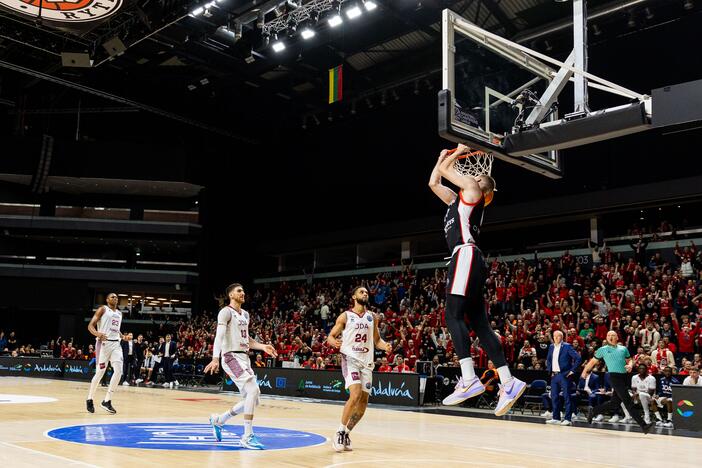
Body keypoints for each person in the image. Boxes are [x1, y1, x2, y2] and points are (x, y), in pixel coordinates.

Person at [429, 144, 526, 415]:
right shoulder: (454, 202)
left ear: (484, 187)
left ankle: (469, 378)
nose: (473, 174)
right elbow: (434, 180)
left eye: (478, 176)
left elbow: (448, 170)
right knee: (480, 325)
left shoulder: (473, 189)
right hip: (471, 260)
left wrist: (457, 151)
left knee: (452, 315)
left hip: (465, 255)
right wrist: (441, 157)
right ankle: (509, 382)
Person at [206, 283, 278, 450]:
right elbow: (219, 336)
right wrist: (215, 358)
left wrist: (262, 346)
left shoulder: (245, 314)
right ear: (231, 295)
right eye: (239, 291)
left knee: (254, 399)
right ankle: (247, 436)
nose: (243, 293)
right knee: (253, 391)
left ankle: (219, 420)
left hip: (244, 357)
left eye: (244, 290)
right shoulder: (225, 312)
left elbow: (247, 340)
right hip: (231, 356)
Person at [326, 286, 391, 452]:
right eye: (361, 292)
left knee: (362, 405)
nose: (365, 294)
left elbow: (377, 341)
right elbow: (331, 336)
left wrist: (386, 346)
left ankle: (347, 433)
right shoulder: (346, 316)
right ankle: (339, 432)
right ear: (354, 296)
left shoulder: (372, 317)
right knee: (354, 395)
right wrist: (332, 341)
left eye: (366, 292)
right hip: (350, 359)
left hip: (367, 364)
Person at [583, 331, 654, 434]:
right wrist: (585, 371)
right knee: (628, 402)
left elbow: (629, 360)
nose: (611, 337)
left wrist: (630, 365)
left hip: (624, 377)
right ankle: (644, 425)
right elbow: (592, 362)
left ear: (617, 337)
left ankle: (593, 411)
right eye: (608, 335)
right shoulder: (602, 350)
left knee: (614, 403)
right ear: (606, 338)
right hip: (614, 377)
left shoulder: (623, 349)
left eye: (613, 335)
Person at [85, 293, 124, 414]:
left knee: (119, 371)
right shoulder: (103, 309)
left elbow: (116, 329)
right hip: (103, 344)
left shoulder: (119, 313)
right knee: (100, 372)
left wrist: (123, 336)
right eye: (112, 297)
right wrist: (98, 334)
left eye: (116, 297)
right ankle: (89, 398)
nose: (115, 298)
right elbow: (90, 326)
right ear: (107, 300)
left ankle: (107, 401)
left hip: (116, 345)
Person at [545, 330, 581, 426]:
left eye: (558, 336)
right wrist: (550, 370)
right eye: (554, 336)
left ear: (562, 337)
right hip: (554, 375)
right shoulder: (551, 346)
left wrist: (572, 370)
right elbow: (549, 359)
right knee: (554, 397)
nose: (556, 338)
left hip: (564, 375)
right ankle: (556, 418)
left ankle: (568, 419)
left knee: (567, 397)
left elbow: (578, 358)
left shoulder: (567, 346)